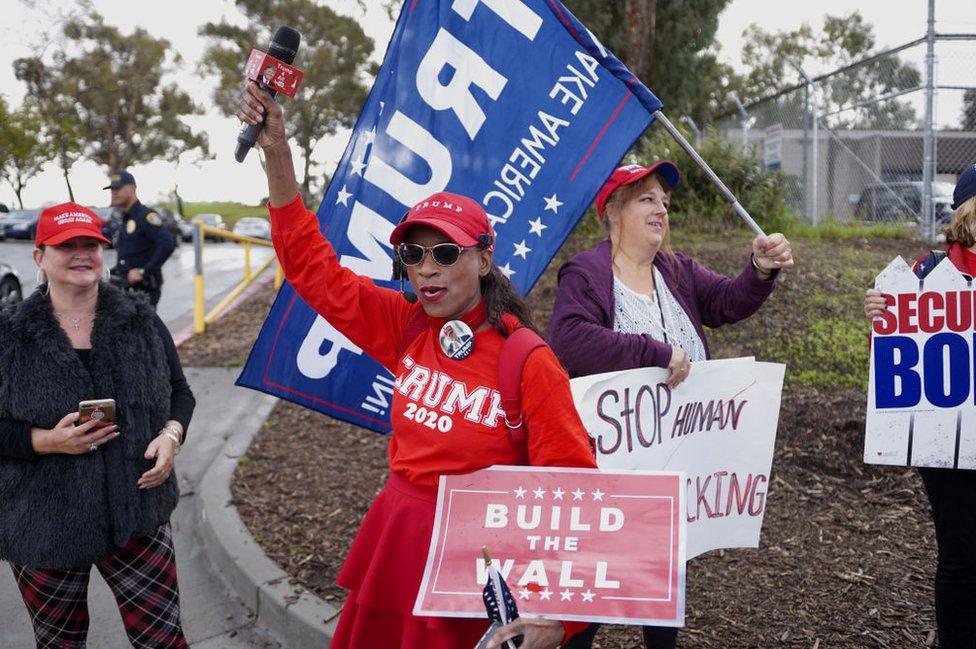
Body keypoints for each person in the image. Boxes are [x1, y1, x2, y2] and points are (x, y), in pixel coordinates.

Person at [236, 80, 596, 648]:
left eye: (445, 253)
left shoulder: (528, 360)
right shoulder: (405, 323)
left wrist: (559, 613)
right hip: (400, 543)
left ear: (483, 259)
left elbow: (571, 492)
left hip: (476, 566)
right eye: (414, 254)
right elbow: (312, 270)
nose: (426, 269)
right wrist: (277, 154)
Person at [548, 162, 794, 648]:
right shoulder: (589, 272)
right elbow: (570, 338)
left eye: (664, 200)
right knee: (591, 597)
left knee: (662, 592)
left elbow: (726, 301)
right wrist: (655, 352)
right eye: (647, 199)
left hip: (671, 467)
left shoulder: (676, 270)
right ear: (613, 211)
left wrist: (759, 270)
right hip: (610, 469)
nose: (661, 208)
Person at [0, 202, 195, 648]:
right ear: (39, 257)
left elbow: (180, 393)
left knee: (163, 639)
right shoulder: (9, 336)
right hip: (44, 523)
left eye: (91, 244)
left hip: (138, 511)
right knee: (60, 643)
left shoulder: (141, 321)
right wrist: (45, 441)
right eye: (67, 245)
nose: (81, 253)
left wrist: (170, 436)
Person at [864, 163, 976, 649]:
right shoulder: (928, 272)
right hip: (946, 434)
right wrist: (879, 315)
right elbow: (896, 356)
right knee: (960, 553)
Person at [105, 169, 176, 308]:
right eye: (112, 189)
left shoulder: (145, 216)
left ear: (132, 188)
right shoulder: (124, 218)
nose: (114, 192)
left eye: (118, 188)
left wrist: (144, 271)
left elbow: (167, 243)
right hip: (126, 288)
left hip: (144, 290)